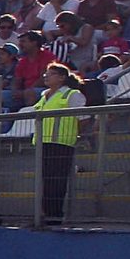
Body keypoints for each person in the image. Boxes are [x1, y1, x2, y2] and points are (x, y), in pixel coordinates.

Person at [31, 62, 87, 226]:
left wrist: (74, 134)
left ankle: (55, 215)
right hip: (44, 142)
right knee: (46, 180)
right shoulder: (44, 95)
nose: (46, 76)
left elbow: (82, 119)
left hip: (61, 142)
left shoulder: (72, 94)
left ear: (62, 78)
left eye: (51, 74)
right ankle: (45, 214)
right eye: (46, 74)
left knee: (57, 180)